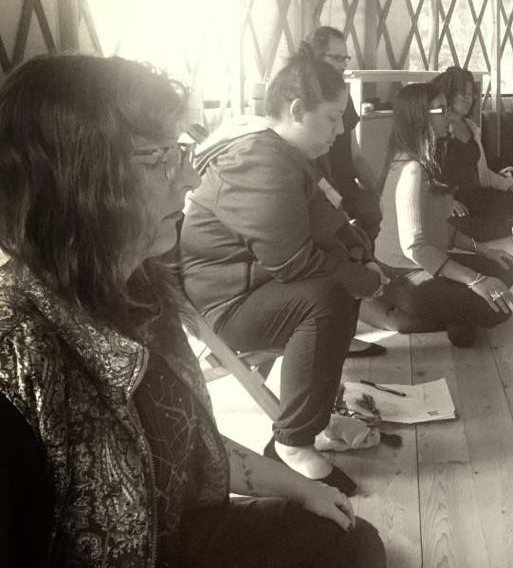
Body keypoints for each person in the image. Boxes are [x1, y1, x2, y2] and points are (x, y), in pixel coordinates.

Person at [0, 55, 386, 568]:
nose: (188, 178)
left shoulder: (141, 291)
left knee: (351, 541)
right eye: (161, 157)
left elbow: (188, 440)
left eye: (181, 151)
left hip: (180, 530)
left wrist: (300, 488)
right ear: (77, 177)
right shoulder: (18, 358)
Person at [177, 55, 384, 494]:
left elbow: (327, 217)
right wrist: (361, 277)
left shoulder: (289, 153)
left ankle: (314, 419)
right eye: (332, 118)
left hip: (261, 283)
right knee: (327, 298)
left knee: (339, 288)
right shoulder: (257, 160)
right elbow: (293, 262)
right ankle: (292, 443)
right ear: (296, 110)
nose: (340, 130)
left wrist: (358, 256)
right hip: (229, 304)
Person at [366, 84, 513, 349]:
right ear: (420, 117)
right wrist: (475, 280)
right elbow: (414, 247)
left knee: (505, 267)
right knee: (495, 309)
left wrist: (485, 251)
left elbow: (440, 228)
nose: (449, 116)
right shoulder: (411, 170)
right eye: (442, 110)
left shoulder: (428, 163)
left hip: (430, 263)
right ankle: (397, 315)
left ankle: (449, 316)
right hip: (403, 273)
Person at [425, 68, 513, 242]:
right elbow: (428, 174)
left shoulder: (471, 127)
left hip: (477, 195)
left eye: (471, 94)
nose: (469, 99)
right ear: (449, 94)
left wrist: (511, 186)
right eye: (463, 94)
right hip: (453, 199)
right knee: (460, 224)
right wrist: (446, 200)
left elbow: (483, 172)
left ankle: (508, 224)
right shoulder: (438, 129)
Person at [298, 27, 377, 241]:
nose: (343, 65)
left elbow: (356, 155)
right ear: (314, 56)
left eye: (346, 58)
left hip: (348, 193)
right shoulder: (304, 98)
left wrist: (380, 192)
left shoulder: (342, 95)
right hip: (321, 198)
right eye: (337, 58)